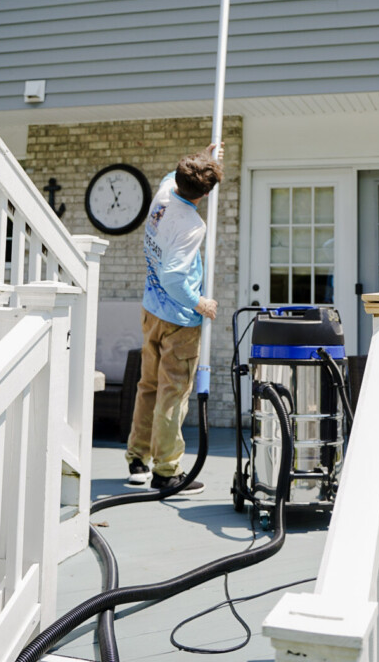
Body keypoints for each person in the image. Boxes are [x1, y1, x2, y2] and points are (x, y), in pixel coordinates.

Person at [125, 144, 224, 494]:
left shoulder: (166, 192)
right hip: (179, 320)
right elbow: (173, 277)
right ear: (207, 193)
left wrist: (207, 155)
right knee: (172, 394)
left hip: (151, 310)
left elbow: (177, 172)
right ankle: (166, 472)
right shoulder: (191, 225)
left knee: (148, 386)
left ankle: (138, 459)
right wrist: (201, 303)